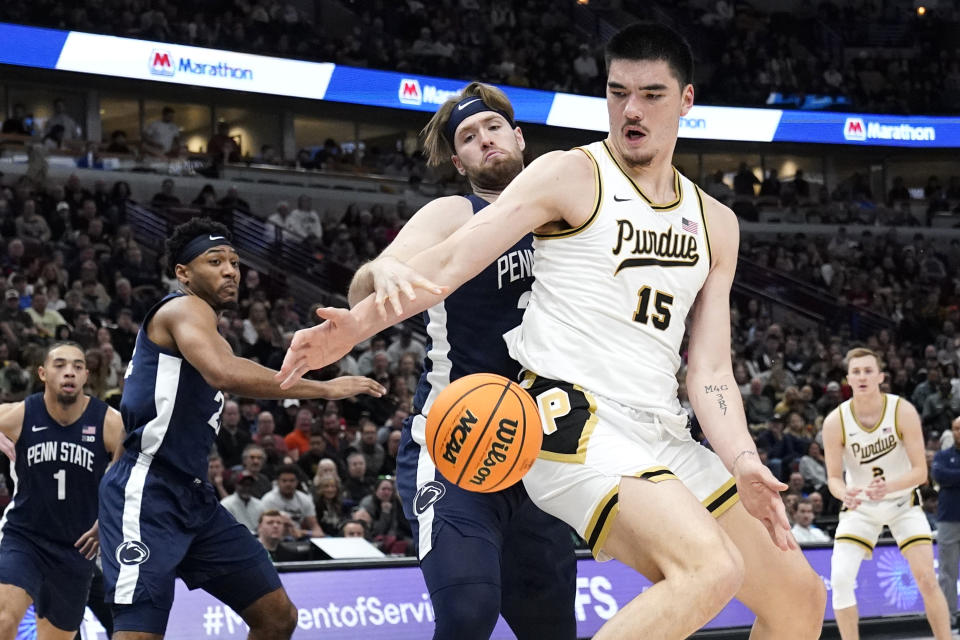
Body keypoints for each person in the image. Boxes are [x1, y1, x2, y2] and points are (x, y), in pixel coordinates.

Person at [278, 24, 825, 639]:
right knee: (707, 569)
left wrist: (744, 460)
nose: (632, 109)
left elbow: (712, 373)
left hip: (660, 428)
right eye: (618, 93)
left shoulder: (717, 223)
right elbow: (446, 264)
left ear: (687, 100)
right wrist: (353, 325)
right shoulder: (568, 173)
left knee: (799, 599)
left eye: (651, 94)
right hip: (567, 419)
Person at [343, 81, 578, 639]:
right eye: (469, 137)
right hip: (457, 446)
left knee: (551, 631)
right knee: (468, 613)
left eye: (494, 128)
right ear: (458, 161)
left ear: (519, 137)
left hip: (543, 453)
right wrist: (384, 270)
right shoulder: (455, 212)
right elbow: (363, 289)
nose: (485, 140)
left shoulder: (570, 218)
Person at [98, 217, 384, 639]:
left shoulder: (209, 332)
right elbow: (224, 373)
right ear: (183, 273)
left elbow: (227, 367)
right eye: (215, 261)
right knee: (139, 632)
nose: (231, 270)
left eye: (234, 262)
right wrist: (323, 388)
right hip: (148, 493)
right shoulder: (182, 307)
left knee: (276, 616)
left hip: (193, 497)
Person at [823, 347, 951, 640]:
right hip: (861, 509)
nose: (862, 376)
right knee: (841, 580)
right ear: (848, 379)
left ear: (881, 376)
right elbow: (833, 478)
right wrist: (845, 494)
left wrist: (889, 487)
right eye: (856, 371)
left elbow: (921, 471)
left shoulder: (902, 410)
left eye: (868, 370)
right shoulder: (835, 421)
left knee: (927, 580)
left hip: (901, 503)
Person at [0, 342, 125, 640]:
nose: (69, 372)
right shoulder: (20, 414)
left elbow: (128, 478)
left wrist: (107, 519)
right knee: (4, 619)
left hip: (77, 547)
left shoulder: (109, 423)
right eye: (60, 365)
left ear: (86, 376)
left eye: (77, 366)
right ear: (42, 373)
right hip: (24, 536)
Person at [933, 415, 960, 627]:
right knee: (947, 572)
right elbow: (940, 476)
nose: (959, 432)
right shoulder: (942, 456)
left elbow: (949, 478)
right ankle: (949, 617)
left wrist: (954, 478)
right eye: (956, 429)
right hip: (948, 519)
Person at [260, 464, 324, 538]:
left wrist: (303, 533)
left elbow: (317, 530)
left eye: (292, 481)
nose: (288, 484)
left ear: (297, 482)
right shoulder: (268, 500)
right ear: (277, 482)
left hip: (298, 538)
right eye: (284, 481)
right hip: (274, 538)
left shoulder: (305, 499)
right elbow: (264, 528)